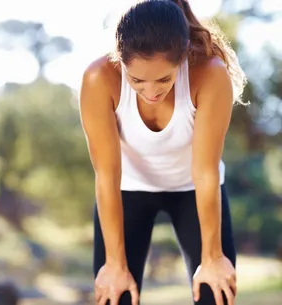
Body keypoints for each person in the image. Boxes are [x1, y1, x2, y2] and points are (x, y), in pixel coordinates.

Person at [78, 0, 247, 305]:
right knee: (116, 295)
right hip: (126, 190)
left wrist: (212, 258)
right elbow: (106, 174)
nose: (151, 92)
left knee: (216, 292)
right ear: (120, 59)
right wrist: (115, 264)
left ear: (183, 57)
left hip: (194, 189)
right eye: (137, 80)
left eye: (164, 79)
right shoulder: (99, 78)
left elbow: (205, 171)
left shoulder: (209, 74)